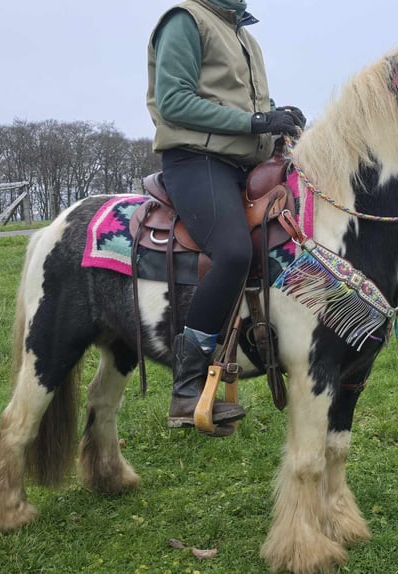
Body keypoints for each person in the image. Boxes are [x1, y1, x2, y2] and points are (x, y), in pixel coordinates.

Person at [146, 0, 305, 430]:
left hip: (244, 165)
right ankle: (187, 389)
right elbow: (174, 101)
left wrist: (277, 119)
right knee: (234, 252)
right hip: (197, 161)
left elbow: (244, 103)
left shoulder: (244, 34)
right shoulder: (185, 19)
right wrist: (257, 120)